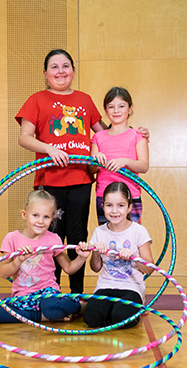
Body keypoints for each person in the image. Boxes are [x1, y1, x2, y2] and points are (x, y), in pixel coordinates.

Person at [16, 49, 149, 294]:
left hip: (80, 180)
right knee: (52, 238)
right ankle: (50, 290)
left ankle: (76, 295)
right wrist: (49, 149)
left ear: (73, 71)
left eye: (66, 66)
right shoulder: (36, 99)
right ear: (45, 74)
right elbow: (24, 138)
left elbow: (107, 133)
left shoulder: (84, 100)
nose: (60, 71)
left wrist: (136, 135)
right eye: (54, 67)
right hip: (50, 180)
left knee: (78, 237)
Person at [0, 190, 90, 323]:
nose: (40, 221)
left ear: (52, 217)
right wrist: (19, 260)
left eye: (46, 217)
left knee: (51, 305)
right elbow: (3, 273)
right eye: (35, 215)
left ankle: (79, 307)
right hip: (23, 297)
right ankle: (43, 316)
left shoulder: (53, 239)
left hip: (48, 294)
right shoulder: (12, 239)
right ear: (24, 214)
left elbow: (69, 268)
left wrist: (82, 258)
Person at [81, 182, 154, 329]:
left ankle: (123, 310)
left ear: (129, 207)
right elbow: (95, 268)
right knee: (91, 319)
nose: (114, 211)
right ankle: (108, 309)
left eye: (120, 205)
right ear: (103, 206)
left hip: (131, 287)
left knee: (121, 317)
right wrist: (96, 252)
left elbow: (149, 269)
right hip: (106, 285)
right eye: (109, 205)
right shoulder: (99, 232)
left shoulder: (138, 231)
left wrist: (134, 256)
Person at [90, 87, 149, 225]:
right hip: (104, 198)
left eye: (121, 106)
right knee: (107, 240)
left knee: (132, 240)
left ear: (130, 108)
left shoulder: (138, 136)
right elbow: (91, 170)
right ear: (105, 110)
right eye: (111, 107)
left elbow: (144, 166)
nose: (116, 111)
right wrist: (95, 160)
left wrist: (125, 161)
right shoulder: (98, 137)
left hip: (130, 196)